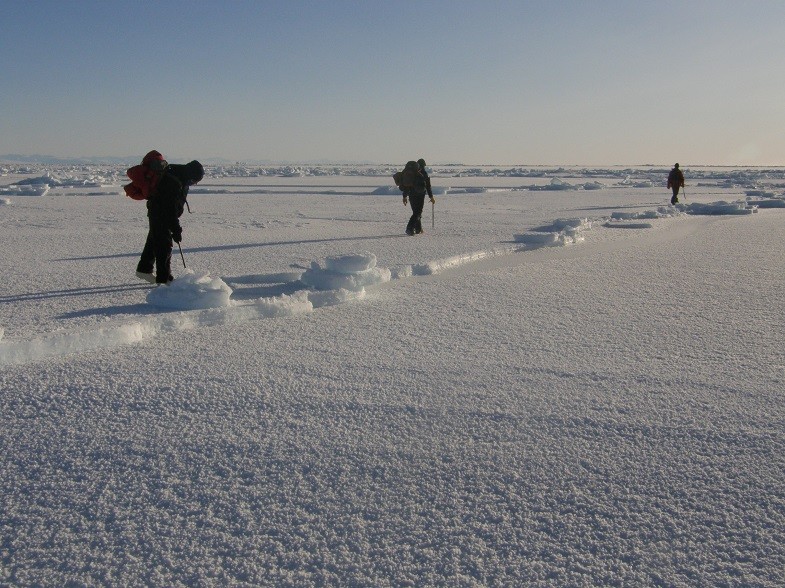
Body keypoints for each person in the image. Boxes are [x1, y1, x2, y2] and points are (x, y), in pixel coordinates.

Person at [136, 159, 204, 284]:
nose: (193, 183)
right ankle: (164, 279)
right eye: (194, 180)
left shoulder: (182, 179)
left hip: (160, 213)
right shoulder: (173, 181)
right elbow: (169, 209)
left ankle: (144, 269)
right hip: (160, 214)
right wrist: (176, 229)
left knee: (154, 239)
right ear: (190, 174)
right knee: (164, 246)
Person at [402, 158, 435, 235]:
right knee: (418, 212)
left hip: (411, 195)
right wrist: (431, 197)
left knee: (415, 212)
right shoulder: (424, 173)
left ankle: (418, 229)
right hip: (420, 195)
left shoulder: (411, 174)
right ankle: (409, 228)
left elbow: (407, 186)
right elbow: (428, 186)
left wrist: (404, 196)